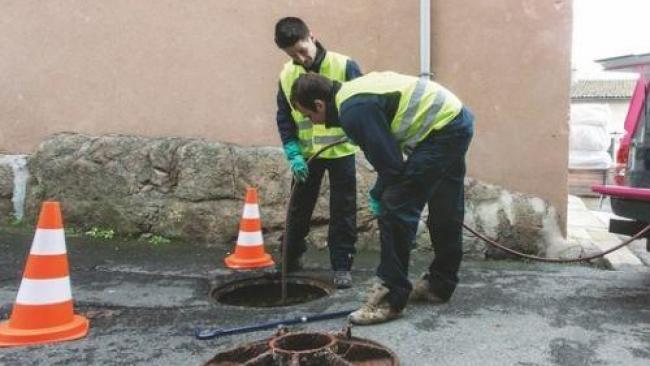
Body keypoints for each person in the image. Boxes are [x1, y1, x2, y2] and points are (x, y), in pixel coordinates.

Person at [290, 71, 474, 324]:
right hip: (455, 120)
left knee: (395, 206)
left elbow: (391, 167)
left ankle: (390, 298)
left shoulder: (352, 111)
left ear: (320, 104)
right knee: (445, 207)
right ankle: (439, 285)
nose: (312, 122)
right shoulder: (353, 94)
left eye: (309, 115)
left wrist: (378, 194)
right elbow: (392, 155)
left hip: (443, 131)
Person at [274, 17, 361, 288]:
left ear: (312, 36)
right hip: (307, 155)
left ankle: (342, 265)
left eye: (302, 50)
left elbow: (362, 105)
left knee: (343, 209)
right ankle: (290, 259)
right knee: (298, 208)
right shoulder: (287, 74)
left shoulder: (344, 65)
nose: (301, 58)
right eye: (292, 55)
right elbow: (285, 116)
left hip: (340, 150)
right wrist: (292, 152)